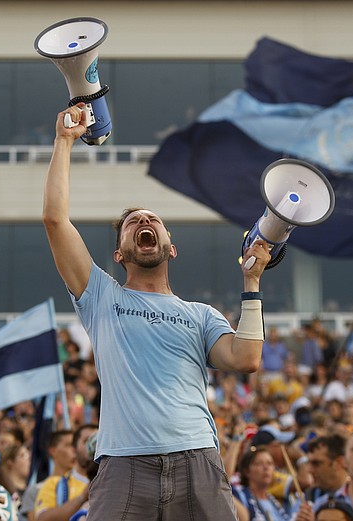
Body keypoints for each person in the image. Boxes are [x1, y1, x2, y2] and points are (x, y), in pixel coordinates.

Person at [42, 103, 272, 521]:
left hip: (197, 459)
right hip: (124, 465)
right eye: (132, 222)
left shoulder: (201, 315)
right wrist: (64, 141)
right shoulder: (100, 296)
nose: (143, 220)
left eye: (152, 219)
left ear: (171, 247)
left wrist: (251, 285)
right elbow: (55, 221)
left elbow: (247, 359)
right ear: (119, 253)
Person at [35, 424, 98, 521]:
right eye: (87, 441)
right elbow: (42, 519)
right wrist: (82, 497)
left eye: (98, 441)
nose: (94, 447)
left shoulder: (113, 480)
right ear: (74, 448)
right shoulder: (55, 483)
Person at [232, 447, 294, 521]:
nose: (266, 468)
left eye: (270, 463)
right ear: (246, 471)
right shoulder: (239, 495)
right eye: (259, 463)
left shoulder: (274, 500)